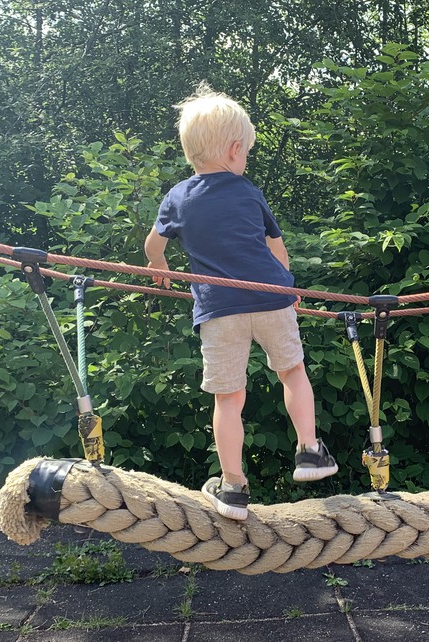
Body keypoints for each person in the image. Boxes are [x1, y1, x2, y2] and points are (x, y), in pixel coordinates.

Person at [143, 86, 338, 520]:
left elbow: (152, 245)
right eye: (246, 151)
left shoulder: (177, 197)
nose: (245, 160)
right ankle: (309, 451)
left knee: (228, 399)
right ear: (234, 150)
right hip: (271, 298)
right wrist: (286, 285)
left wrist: (161, 267)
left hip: (218, 309)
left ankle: (232, 488)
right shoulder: (248, 192)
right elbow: (279, 252)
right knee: (292, 372)